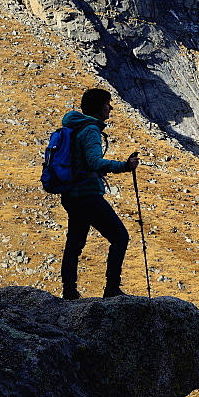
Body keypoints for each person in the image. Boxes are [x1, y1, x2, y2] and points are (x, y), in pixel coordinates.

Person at [59, 88, 139, 299]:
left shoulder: (75, 127)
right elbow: (95, 162)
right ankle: (112, 289)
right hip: (88, 194)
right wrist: (124, 166)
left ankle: (69, 292)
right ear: (98, 107)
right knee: (120, 237)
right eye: (107, 103)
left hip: (71, 195)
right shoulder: (90, 130)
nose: (110, 107)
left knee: (74, 243)